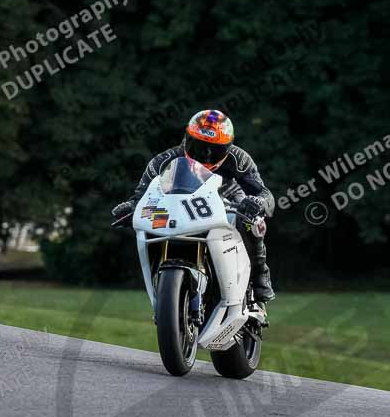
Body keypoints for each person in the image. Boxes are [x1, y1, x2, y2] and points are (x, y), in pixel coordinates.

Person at [112, 109, 275, 301]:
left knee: (252, 222)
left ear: (228, 148)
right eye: (199, 146)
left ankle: (259, 276)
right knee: (149, 223)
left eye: (215, 150)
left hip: (228, 196)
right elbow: (142, 194)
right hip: (182, 202)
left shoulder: (239, 159)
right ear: (187, 139)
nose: (205, 155)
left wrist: (257, 202)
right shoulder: (164, 160)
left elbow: (265, 194)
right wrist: (132, 207)